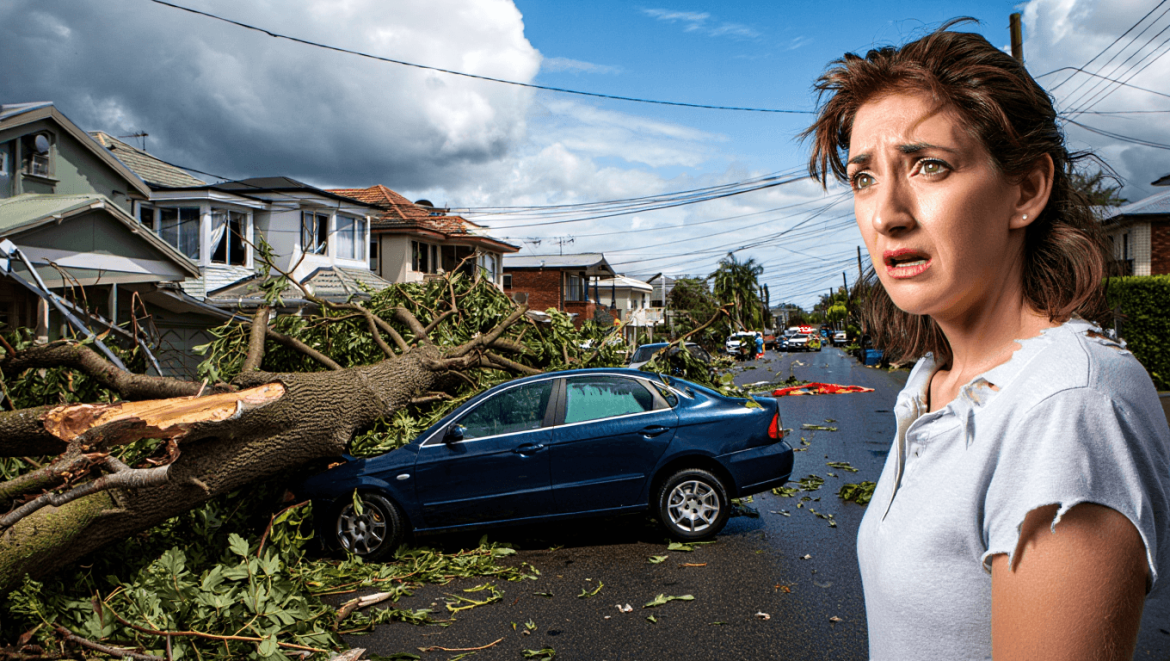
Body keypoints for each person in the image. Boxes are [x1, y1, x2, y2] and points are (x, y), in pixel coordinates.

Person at [804, 19, 1170, 661]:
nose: (887, 214)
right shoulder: (936, 381)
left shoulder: (1067, 406)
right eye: (864, 178)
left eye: (930, 166)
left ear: (1026, 189)